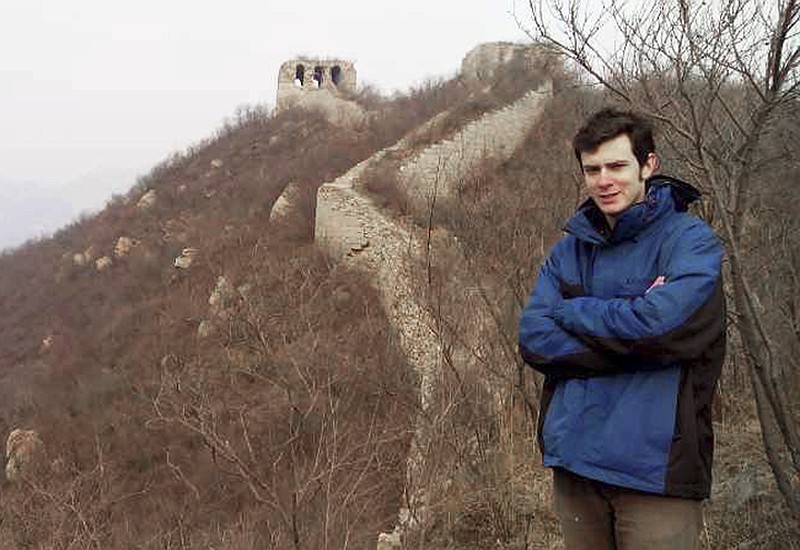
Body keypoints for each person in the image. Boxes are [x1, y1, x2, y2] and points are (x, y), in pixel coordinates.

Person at [518, 108, 726, 549]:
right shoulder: (569, 251)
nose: (603, 180)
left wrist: (574, 312)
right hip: (575, 463)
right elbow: (534, 339)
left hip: (655, 469)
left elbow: (661, 330)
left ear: (648, 164)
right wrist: (631, 326)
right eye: (592, 169)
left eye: (616, 166)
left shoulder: (690, 242)